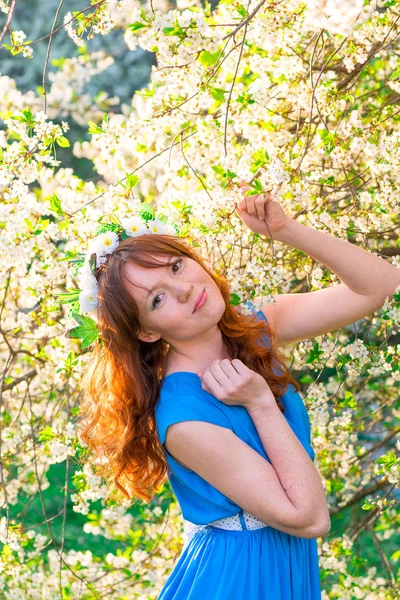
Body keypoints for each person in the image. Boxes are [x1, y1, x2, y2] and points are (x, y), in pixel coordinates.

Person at [75, 182, 399, 599]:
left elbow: (381, 286)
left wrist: (286, 231)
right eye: (157, 300)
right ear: (145, 331)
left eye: (176, 267)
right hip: (239, 579)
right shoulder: (185, 417)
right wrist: (261, 403)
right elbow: (310, 517)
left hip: (285, 566)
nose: (185, 288)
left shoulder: (251, 329)